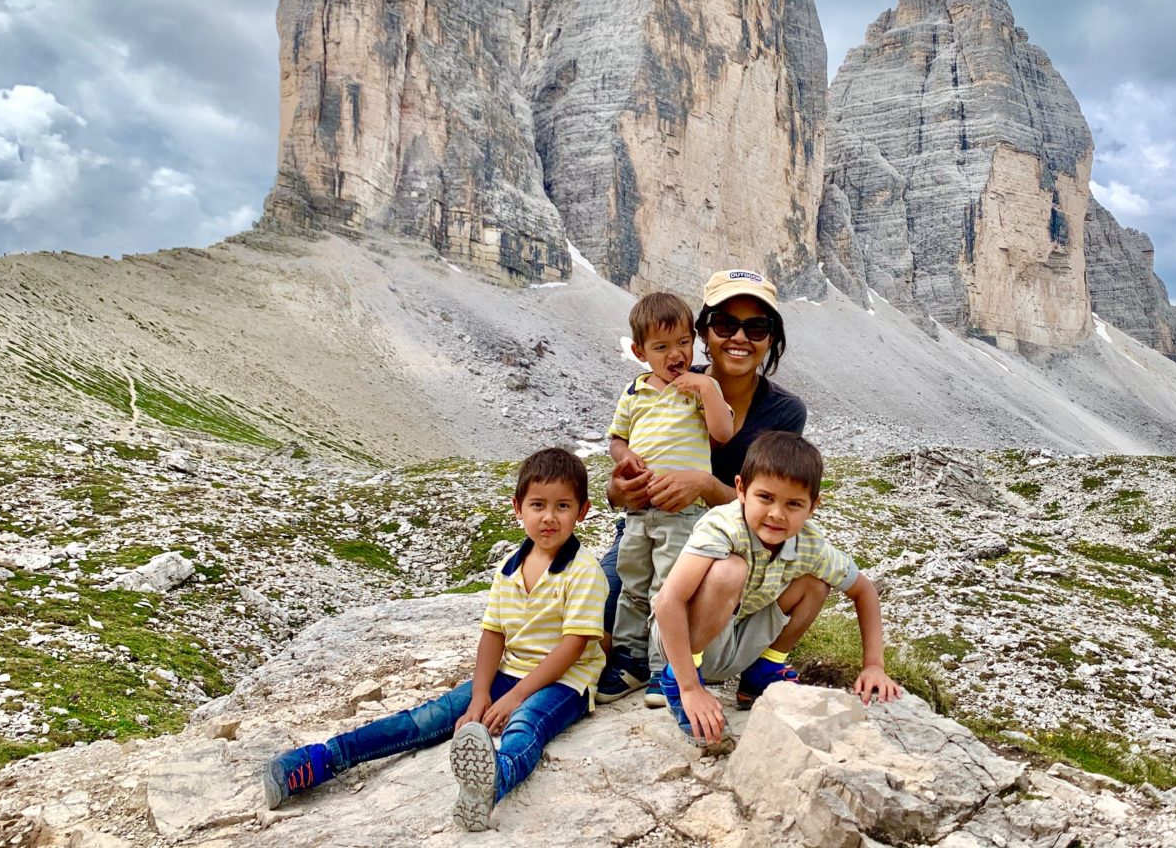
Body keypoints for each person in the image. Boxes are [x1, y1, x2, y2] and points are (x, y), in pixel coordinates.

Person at [261, 448, 608, 832]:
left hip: (565, 682)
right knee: (426, 718)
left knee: (526, 724)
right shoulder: (508, 569)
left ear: (583, 511)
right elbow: (493, 634)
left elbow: (573, 646)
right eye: (538, 504)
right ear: (517, 508)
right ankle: (323, 759)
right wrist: (480, 694)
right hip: (510, 672)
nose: (548, 517)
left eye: (562, 506)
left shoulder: (585, 571)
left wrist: (515, 696)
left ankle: (493, 782)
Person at [598, 268, 807, 706]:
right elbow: (622, 462)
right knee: (591, 624)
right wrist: (621, 491)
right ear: (705, 332)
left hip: (721, 538)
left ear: (771, 337)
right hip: (645, 523)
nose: (740, 338)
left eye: (757, 327)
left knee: (665, 597)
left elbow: (777, 509)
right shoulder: (666, 380)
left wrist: (705, 486)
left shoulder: (784, 411)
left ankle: (679, 668)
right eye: (726, 324)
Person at [653, 432, 902, 745]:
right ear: (741, 489)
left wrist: (874, 666)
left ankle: (762, 673)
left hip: (738, 641)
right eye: (766, 497)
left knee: (815, 581)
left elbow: (864, 591)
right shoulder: (723, 526)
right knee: (730, 570)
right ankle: (676, 680)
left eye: (794, 504)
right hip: (684, 643)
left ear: (813, 506)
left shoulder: (811, 545)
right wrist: (690, 688)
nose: (776, 514)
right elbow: (667, 601)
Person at [594, 292, 735, 703]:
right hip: (638, 515)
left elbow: (723, 432)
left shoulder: (697, 387)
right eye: (661, 347)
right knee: (634, 587)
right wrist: (625, 461)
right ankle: (629, 662)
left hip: (682, 515)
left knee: (668, 590)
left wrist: (707, 387)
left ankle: (663, 667)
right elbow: (616, 439)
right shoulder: (635, 392)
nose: (676, 354)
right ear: (639, 352)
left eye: (683, 343)